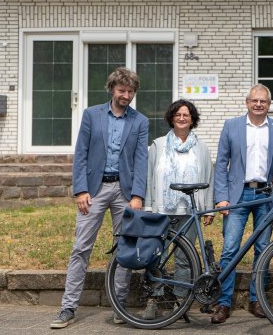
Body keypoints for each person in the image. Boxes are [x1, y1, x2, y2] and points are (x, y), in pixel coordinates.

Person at [51, 67, 149, 329]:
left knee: (124, 249)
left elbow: (141, 161)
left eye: (130, 91)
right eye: (122, 90)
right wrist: (80, 190)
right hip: (93, 191)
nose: (126, 95)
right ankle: (68, 307)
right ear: (111, 89)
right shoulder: (91, 115)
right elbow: (80, 154)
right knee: (81, 248)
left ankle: (119, 307)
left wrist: (138, 195)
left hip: (125, 193)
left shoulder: (140, 121)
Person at [212, 84, 273, 324]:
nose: (258, 104)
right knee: (230, 249)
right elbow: (221, 164)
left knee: (263, 250)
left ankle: (257, 301)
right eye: (254, 100)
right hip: (238, 196)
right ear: (247, 102)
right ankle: (223, 303)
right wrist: (221, 196)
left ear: (269, 104)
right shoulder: (231, 126)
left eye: (263, 101)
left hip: (266, 195)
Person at [142, 99, 215, 317]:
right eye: (178, 114)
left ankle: (180, 302)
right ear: (172, 118)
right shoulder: (158, 145)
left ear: (192, 119)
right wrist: (148, 206)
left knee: (185, 258)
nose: (182, 118)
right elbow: (149, 177)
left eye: (186, 115)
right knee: (157, 254)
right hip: (162, 209)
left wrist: (208, 208)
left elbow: (208, 178)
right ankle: (154, 299)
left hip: (189, 212)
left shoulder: (201, 148)